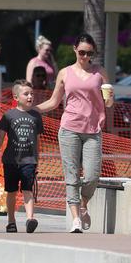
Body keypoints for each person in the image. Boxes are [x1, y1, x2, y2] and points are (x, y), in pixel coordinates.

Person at [35, 33, 114, 233]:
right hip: (69, 128)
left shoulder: (100, 73)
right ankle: (76, 218)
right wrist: (32, 109)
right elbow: (54, 102)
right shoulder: (65, 73)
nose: (85, 57)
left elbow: (109, 103)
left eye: (89, 53)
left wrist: (111, 98)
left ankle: (84, 203)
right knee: (71, 176)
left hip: (93, 130)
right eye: (82, 52)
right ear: (75, 50)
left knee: (93, 175)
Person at [0, 80, 43, 233]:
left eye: (31, 94)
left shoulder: (36, 116)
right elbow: (0, 136)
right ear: (16, 97)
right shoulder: (9, 115)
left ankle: (30, 219)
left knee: (27, 189)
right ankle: (11, 221)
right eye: (26, 94)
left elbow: (38, 139)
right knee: (12, 191)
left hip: (29, 160)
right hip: (11, 161)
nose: (30, 97)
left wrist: (37, 158)